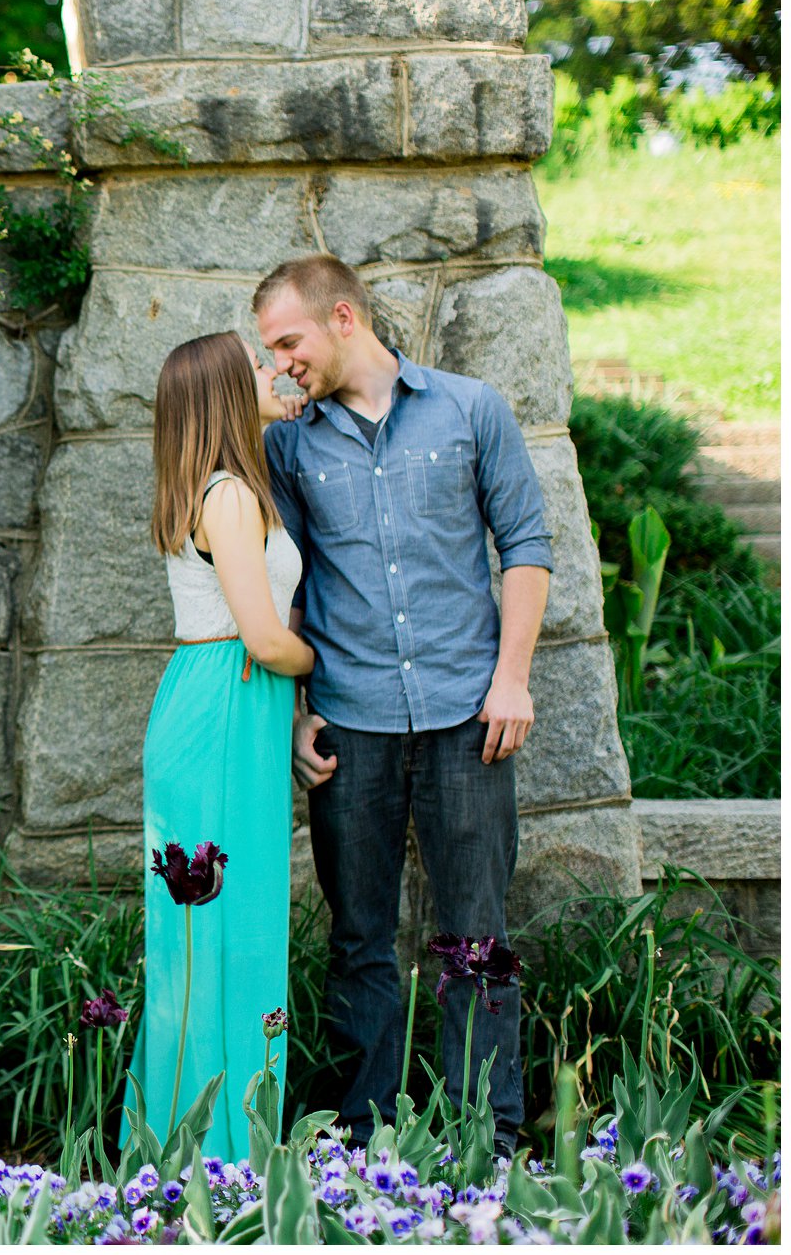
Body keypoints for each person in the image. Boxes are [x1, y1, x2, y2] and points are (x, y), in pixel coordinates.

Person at [255, 254, 552, 1159]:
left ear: (342, 316)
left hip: (471, 717)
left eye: (288, 342)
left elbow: (528, 544)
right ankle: (362, 1141)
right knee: (360, 941)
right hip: (352, 724)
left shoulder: (471, 410)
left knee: (476, 938)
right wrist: (301, 710)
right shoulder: (287, 445)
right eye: (269, 350)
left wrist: (512, 678)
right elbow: (288, 588)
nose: (279, 365)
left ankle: (485, 1139)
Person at [126, 330, 315, 1163]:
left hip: (228, 708)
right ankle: (215, 1154)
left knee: (220, 932)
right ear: (228, 392)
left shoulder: (221, 488)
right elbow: (266, 640)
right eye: (259, 365)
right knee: (219, 931)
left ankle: (206, 1143)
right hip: (224, 709)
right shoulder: (230, 496)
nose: (275, 372)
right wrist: (329, 666)